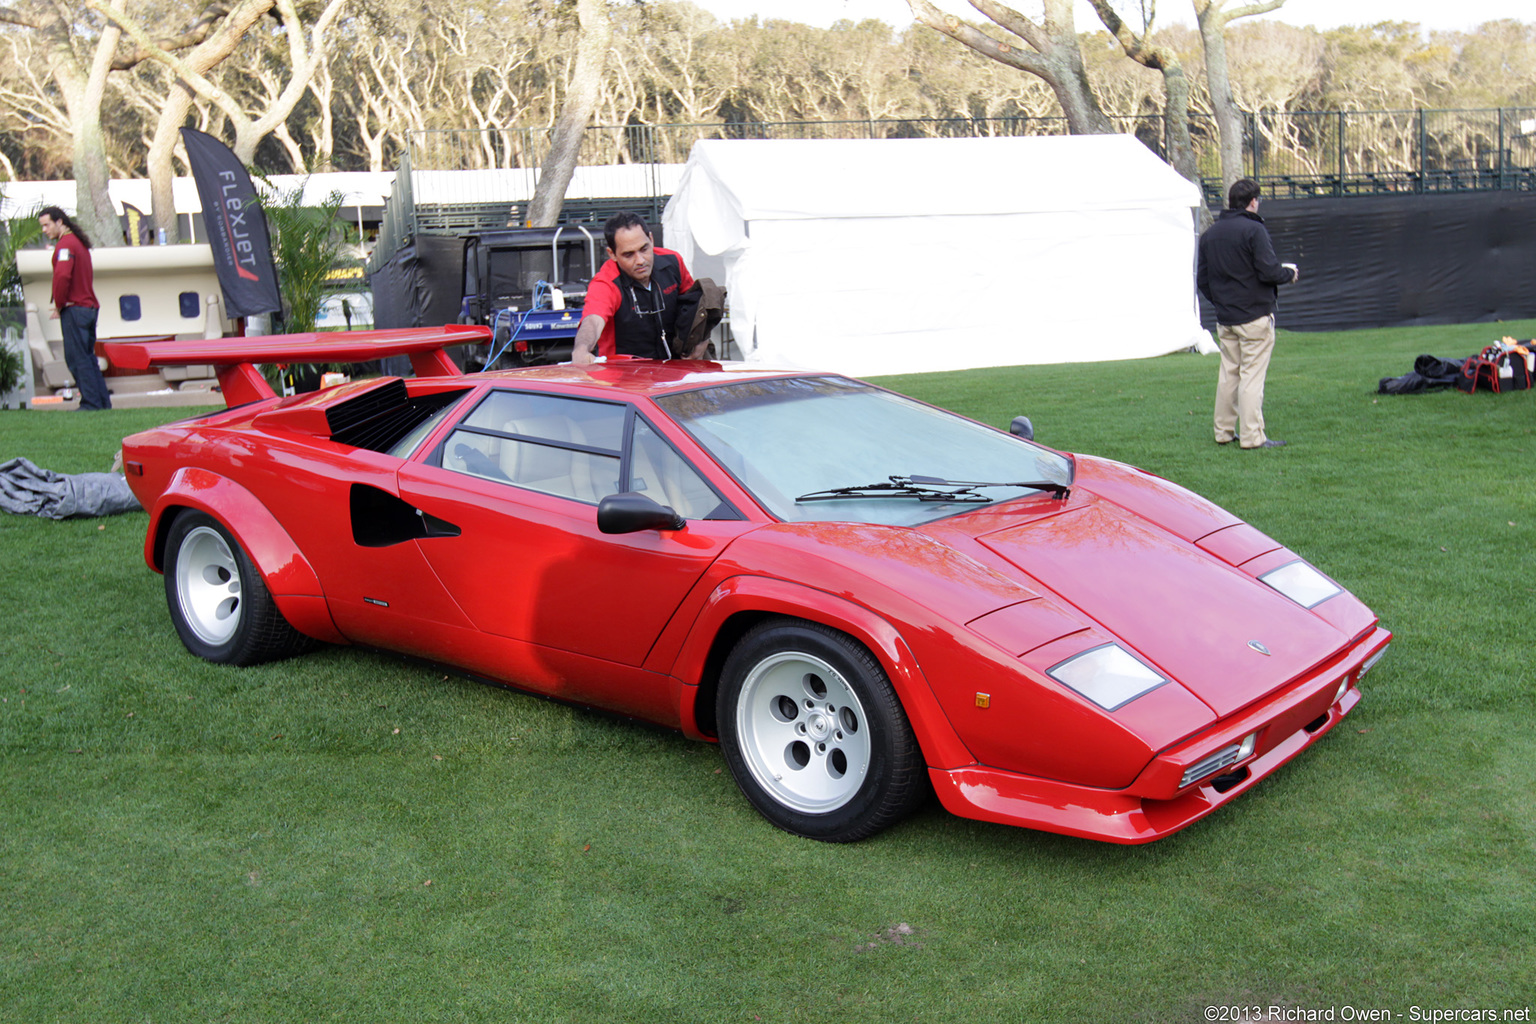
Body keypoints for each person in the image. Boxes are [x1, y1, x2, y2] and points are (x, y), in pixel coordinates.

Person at [1197, 179, 1297, 449]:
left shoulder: (1210, 234)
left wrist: (1222, 304)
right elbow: (1268, 271)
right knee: (1251, 377)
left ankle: (1224, 431)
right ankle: (1253, 437)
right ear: (1253, 202)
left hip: (1226, 319)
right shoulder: (1254, 230)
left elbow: (1203, 281)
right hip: (1253, 317)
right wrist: (1289, 274)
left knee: (1229, 374)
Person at [571, 212, 708, 364]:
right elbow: (593, 320)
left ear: (651, 239)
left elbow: (694, 304)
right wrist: (581, 349)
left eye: (644, 249)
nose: (640, 261)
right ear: (612, 254)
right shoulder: (606, 283)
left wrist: (703, 339)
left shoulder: (673, 262)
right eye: (628, 254)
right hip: (624, 378)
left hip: (675, 372)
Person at [39, 206, 111, 410]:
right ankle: (102, 402)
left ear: (59, 222)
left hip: (75, 309)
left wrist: (59, 304)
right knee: (88, 358)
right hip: (88, 308)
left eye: (47, 225)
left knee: (77, 358)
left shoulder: (66, 246)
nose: (44, 230)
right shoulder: (78, 243)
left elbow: (62, 277)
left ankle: (90, 403)